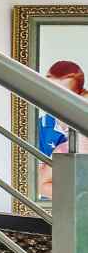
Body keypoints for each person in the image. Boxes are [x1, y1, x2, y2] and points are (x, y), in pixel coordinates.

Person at [39, 59, 88, 200]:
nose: (57, 100)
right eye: (51, 92)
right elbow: (40, 185)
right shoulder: (40, 127)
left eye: (65, 94)